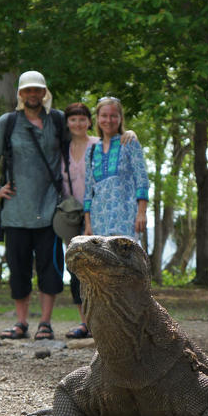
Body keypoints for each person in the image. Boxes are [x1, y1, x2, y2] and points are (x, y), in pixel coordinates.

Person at [0, 70, 65, 340]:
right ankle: (21, 322)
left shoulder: (58, 121)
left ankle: (46, 323)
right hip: (15, 211)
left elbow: (82, 146)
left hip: (50, 209)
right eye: (27, 90)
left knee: (50, 268)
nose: (33, 94)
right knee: (19, 269)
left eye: (37, 89)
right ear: (20, 94)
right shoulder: (8, 123)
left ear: (45, 92)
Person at [60, 102, 138, 339]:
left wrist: (130, 132)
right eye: (73, 119)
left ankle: (121, 322)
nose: (78, 123)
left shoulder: (105, 143)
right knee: (81, 270)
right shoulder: (64, 148)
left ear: (90, 121)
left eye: (82, 119)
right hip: (74, 213)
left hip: (110, 214)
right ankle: (88, 323)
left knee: (116, 265)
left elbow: (135, 173)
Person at [84, 96, 148, 238]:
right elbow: (88, 191)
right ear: (98, 118)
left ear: (120, 119)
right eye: (104, 116)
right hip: (98, 221)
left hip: (126, 218)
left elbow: (142, 179)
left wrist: (141, 213)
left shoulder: (130, 142)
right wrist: (88, 224)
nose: (108, 120)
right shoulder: (92, 150)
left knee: (125, 259)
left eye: (113, 116)